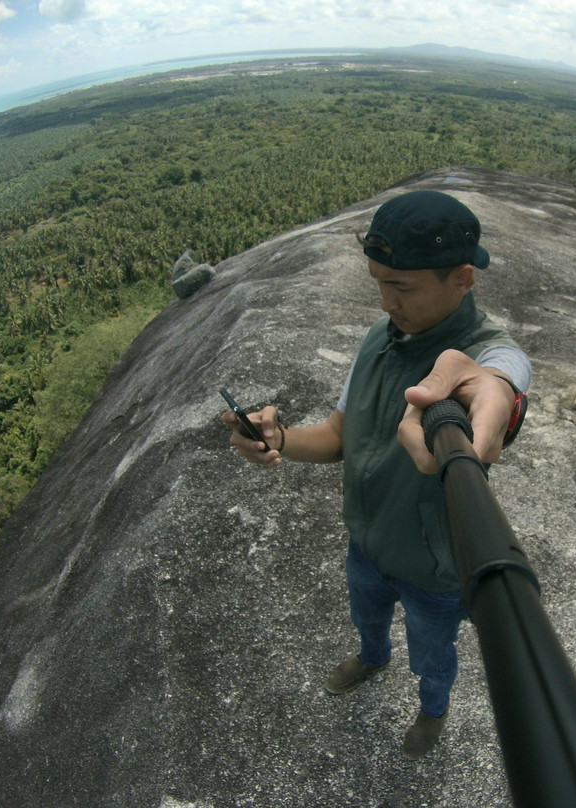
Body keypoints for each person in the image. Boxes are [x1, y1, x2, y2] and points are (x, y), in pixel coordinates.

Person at [223, 189, 532, 759]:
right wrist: (281, 439)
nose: (386, 302)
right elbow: (339, 437)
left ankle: (433, 710)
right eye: (379, 282)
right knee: (366, 614)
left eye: (403, 287)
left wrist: (501, 393)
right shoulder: (376, 342)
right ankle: (371, 656)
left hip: (434, 567)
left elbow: (502, 377)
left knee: (434, 653)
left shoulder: (484, 354)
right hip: (366, 542)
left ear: (463, 278)